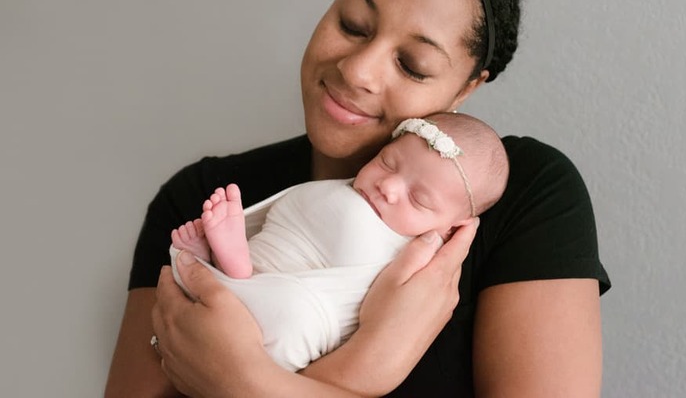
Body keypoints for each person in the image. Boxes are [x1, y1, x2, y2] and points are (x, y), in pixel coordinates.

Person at [106, 0, 611, 397]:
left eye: (413, 65)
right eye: (352, 24)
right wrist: (371, 360)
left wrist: (246, 384)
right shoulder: (204, 197)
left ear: (467, 88)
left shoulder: (523, 195)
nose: (358, 71)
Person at [167, 113, 509, 372]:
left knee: (291, 315)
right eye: (387, 163)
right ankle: (226, 264)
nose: (388, 187)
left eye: (418, 199)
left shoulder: (424, 254)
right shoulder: (345, 188)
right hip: (278, 250)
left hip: (306, 311)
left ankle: (233, 270)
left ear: (452, 228)